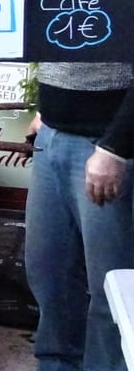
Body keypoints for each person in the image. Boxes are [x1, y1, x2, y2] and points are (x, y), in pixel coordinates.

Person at [25, 62, 134, 371]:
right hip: (53, 136)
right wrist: (47, 110)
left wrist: (116, 147)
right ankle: (56, 364)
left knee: (111, 288)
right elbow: (63, 44)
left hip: (108, 147)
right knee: (49, 271)